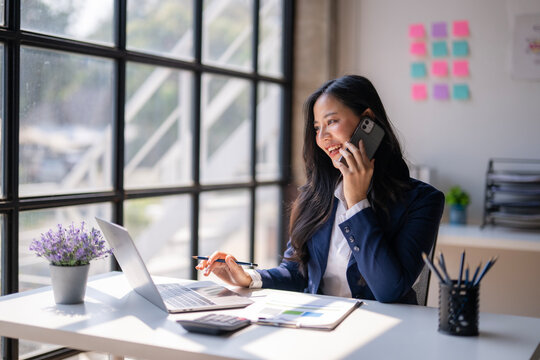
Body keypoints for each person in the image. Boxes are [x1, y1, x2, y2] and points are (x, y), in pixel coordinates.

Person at [196, 75, 444, 304]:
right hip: (319, 329)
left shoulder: (423, 202)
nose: (322, 137)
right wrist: (249, 278)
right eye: (317, 127)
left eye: (332, 121)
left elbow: (389, 290)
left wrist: (357, 201)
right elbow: (296, 273)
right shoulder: (316, 195)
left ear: (367, 120)